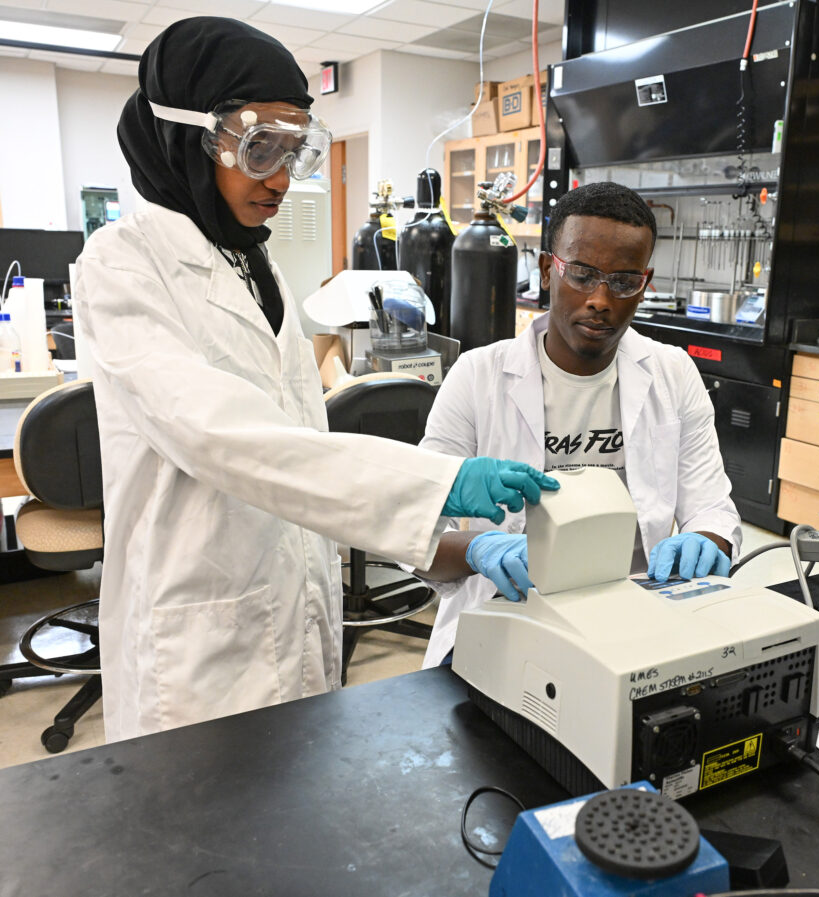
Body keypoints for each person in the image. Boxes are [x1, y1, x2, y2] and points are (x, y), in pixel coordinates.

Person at [74, 17, 556, 741]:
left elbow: (304, 455)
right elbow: (226, 438)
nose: (279, 179)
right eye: (258, 146)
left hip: (295, 610)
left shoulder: (252, 262)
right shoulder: (122, 264)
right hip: (197, 641)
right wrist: (433, 486)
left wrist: (442, 542)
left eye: (294, 151)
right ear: (185, 137)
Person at [414, 181, 742, 667]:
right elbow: (416, 527)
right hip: (504, 620)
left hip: (635, 622)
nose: (601, 299)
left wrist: (706, 541)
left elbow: (712, 507)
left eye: (624, 281)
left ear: (645, 283)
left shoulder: (672, 372)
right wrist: (480, 548)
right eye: (583, 275)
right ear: (549, 270)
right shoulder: (478, 376)